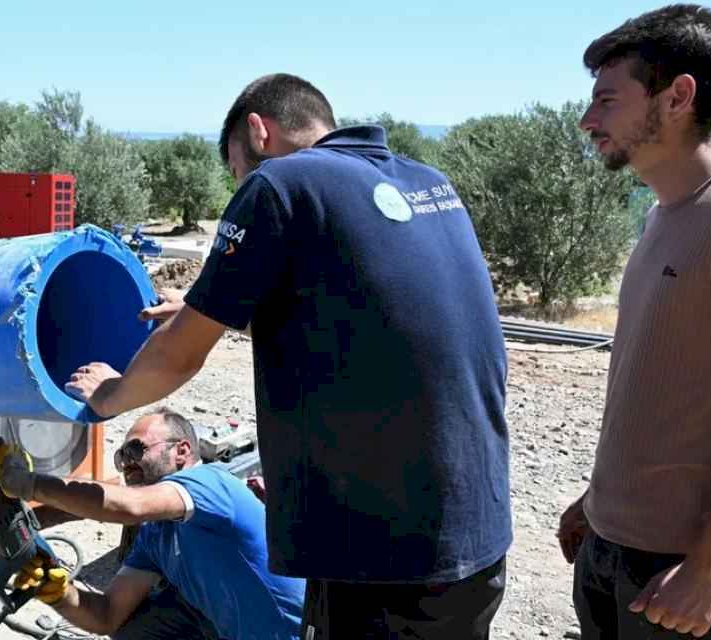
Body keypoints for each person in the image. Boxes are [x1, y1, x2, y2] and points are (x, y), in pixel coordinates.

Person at [65, 73, 511, 639]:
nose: (240, 181)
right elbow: (367, 317)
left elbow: (179, 359)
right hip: (474, 533)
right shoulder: (426, 182)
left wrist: (109, 394)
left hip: (383, 550)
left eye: (235, 168)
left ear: (259, 130)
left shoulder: (279, 182)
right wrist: (208, 305)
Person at [560, 5, 711, 638]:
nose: (588, 119)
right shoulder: (662, 212)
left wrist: (709, 570)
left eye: (607, 100)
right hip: (608, 546)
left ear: (679, 95)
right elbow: (658, 384)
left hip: (677, 569)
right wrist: (596, 505)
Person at [0, 408, 306, 640]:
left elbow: (128, 506)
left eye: (136, 449)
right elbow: (107, 615)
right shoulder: (155, 535)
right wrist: (59, 593)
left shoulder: (208, 482)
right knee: (134, 629)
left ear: (182, 450)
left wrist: (26, 483)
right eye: (121, 457)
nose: (127, 463)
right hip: (228, 630)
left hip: (298, 633)